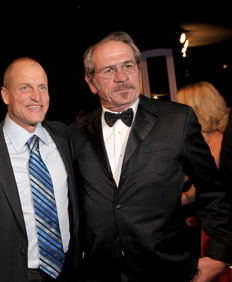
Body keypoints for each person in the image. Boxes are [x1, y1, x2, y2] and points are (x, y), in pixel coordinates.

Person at [70, 31, 232, 282]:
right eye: (109, 70)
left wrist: (219, 254)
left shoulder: (178, 120)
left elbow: (213, 190)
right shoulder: (76, 133)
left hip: (166, 269)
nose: (122, 77)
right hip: (98, 272)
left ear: (138, 69)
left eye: (127, 66)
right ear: (91, 83)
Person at [0, 57, 80, 282]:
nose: (36, 97)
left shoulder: (64, 136)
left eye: (42, 87)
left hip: (68, 271)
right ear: (5, 95)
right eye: (25, 88)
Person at [177, 81, 232, 282]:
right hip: (209, 225)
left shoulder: (216, 142)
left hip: (218, 230)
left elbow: (198, 192)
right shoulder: (207, 140)